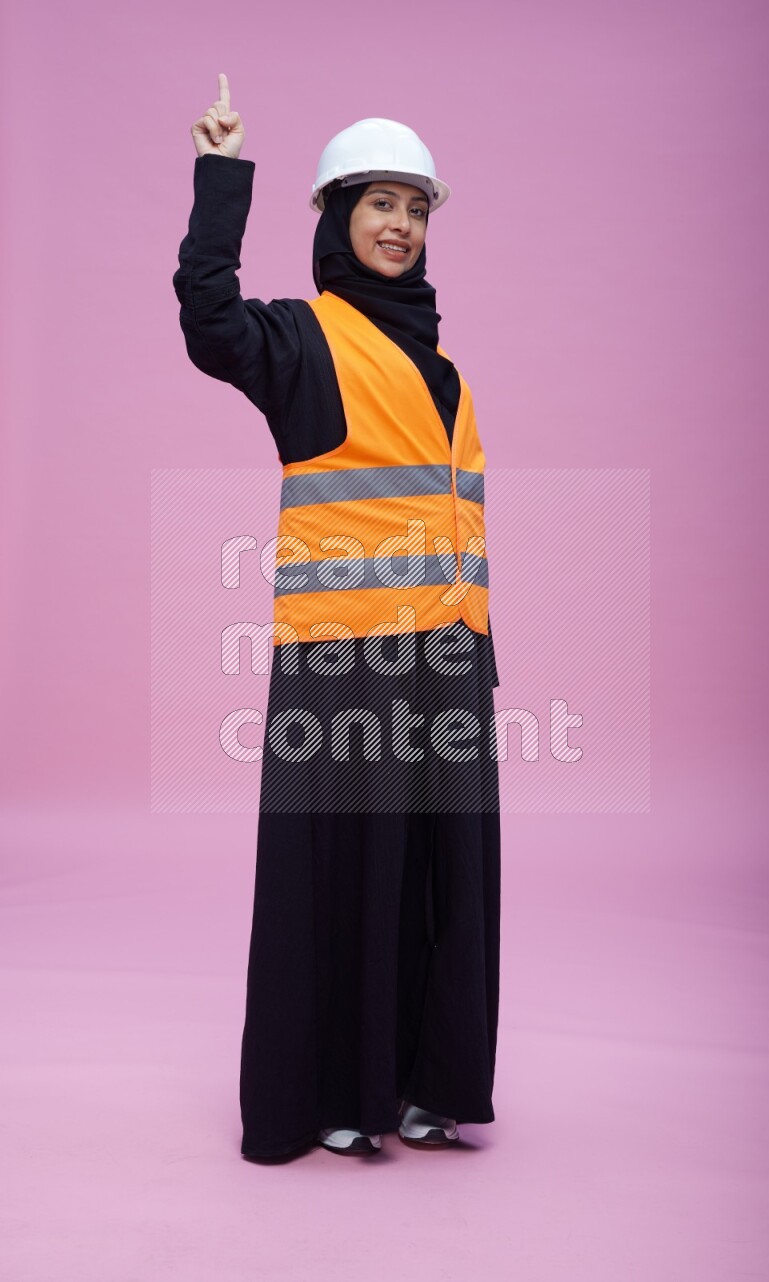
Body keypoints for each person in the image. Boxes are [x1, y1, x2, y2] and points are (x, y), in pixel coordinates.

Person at [173, 74, 501, 1159]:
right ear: (334, 215)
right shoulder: (300, 342)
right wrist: (221, 176)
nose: (401, 226)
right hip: (342, 662)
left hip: (448, 659)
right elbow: (207, 321)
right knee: (343, 872)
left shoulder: (441, 357)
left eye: (415, 208)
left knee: (440, 872)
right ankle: (335, 1096)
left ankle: (420, 1085)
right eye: (379, 204)